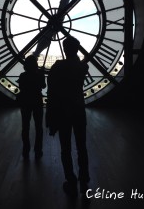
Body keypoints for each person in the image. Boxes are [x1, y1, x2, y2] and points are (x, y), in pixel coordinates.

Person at [46, 35, 90, 197]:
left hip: (62, 111)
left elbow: (51, 92)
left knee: (66, 148)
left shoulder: (58, 67)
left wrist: (50, 117)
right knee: (81, 146)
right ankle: (84, 177)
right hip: (79, 110)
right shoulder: (82, 68)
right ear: (76, 49)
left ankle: (70, 180)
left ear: (64, 49)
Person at [18, 55, 46, 160]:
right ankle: (38, 151)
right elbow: (43, 86)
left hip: (25, 101)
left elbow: (21, 87)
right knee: (39, 127)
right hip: (37, 101)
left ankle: (26, 150)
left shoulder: (23, 75)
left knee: (25, 127)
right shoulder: (39, 75)